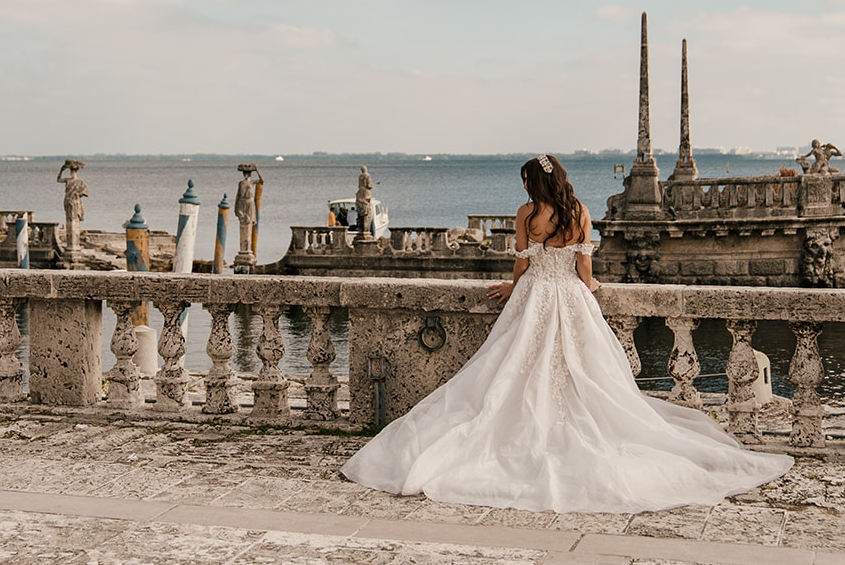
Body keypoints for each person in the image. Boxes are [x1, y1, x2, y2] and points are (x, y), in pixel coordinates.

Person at [340, 153, 793, 513]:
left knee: (511, 368)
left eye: (525, 181)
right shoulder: (579, 211)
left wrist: (512, 285)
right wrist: (593, 289)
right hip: (571, 298)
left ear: (535, 185)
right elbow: (584, 267)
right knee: (584, 372)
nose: (522, 187)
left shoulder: (528, 213)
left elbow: (522, 261)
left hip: (535, 295)